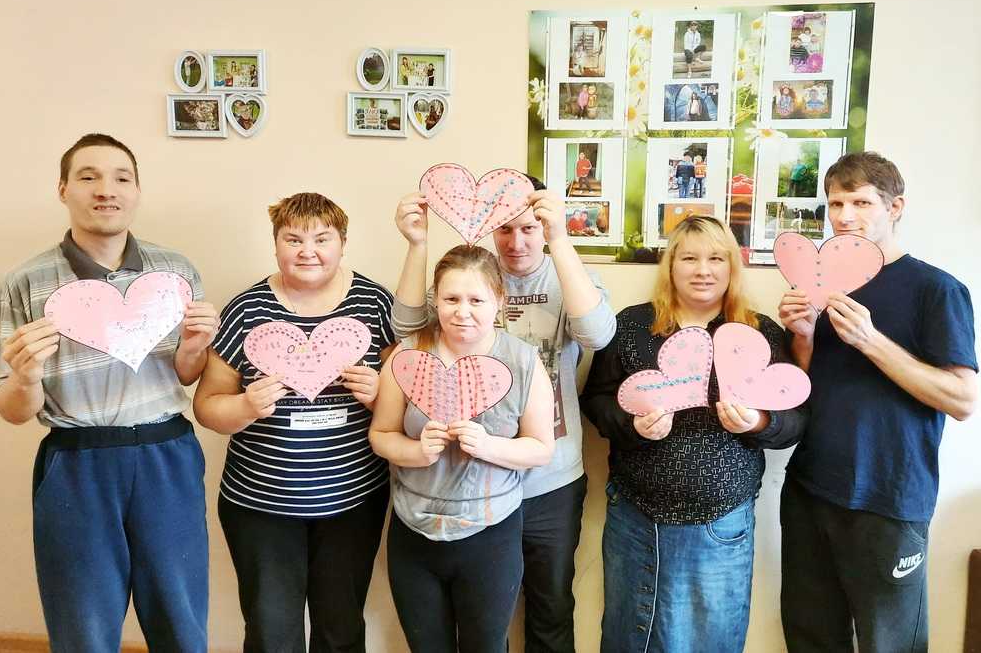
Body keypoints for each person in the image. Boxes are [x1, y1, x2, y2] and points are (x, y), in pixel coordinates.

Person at [0, 133, 218, 651]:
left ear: (137, 190)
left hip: (167, 455)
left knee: (180, 617)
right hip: (77, 462)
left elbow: (186, 375)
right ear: (63, 189)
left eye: (121, 178)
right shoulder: (24, 283)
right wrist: (24, 377)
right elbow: (10, 409)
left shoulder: (175, 272)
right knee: (82, 623)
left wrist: (194, 347)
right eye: (88, 177)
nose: (105, 189)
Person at [392, 178, 616, 652]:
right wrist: (416, 244)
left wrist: (561, 241)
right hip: (469, 488)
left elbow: (597, 335)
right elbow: (406, 332)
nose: (517, 242)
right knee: (486, 623)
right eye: (505, 229)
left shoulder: (566, 274)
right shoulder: (467, 279)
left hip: (550, 479)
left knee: (549, 607)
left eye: (529, 228)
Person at [777, 151, 977, 652]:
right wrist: (802, 337)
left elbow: (962, 399)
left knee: (891, 644)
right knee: (810, 638)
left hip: (889, 498)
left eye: (861, 202)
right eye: (835, 203)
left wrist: (870, 340)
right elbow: (806, 386)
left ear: (895, 207)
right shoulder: (821, 281)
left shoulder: (936, 289)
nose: (845, 216)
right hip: (810, 490)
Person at [580, 215, 807, 653]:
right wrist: (633, 426)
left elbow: (796, 418)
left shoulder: (758, 332)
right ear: (671, 266)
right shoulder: (632, 325)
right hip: (635, 518)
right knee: (631, 637)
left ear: (732, 267)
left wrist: (758, 423)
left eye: (716, 259)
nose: (703, 270)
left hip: (721, 522)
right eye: (689, 259)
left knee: (709, 639)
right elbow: (597, 399)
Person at [193, 192, 394, 652]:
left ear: (342, 243)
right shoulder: (247, 309)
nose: (308, 251)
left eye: (322, 238)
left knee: (341, 630)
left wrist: (378, 395)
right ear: (276, 244)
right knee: (271, 635)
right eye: (293, 239)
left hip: (352, 502)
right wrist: (245, 406)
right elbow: (207, 406)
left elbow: (406, 402)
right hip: (260, 505)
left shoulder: (374, 303)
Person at [370, 244, 555, 653]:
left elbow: (541, 449)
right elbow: (381, 434)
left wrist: (488, 446)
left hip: (490, 534)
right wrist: (416, 452)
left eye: (476, 300)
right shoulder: (408, 354)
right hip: (414, 531)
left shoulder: (523, 361)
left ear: (499, 300)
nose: (462, 312)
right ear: (436, 300)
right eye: (451, 299)